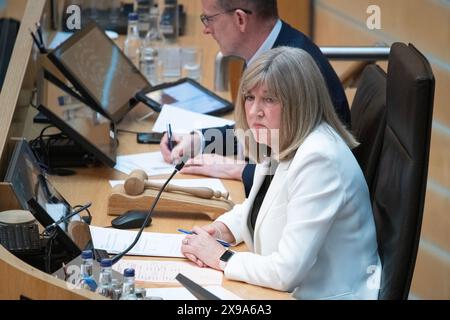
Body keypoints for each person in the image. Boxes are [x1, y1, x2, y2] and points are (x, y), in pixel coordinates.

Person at [180, 47, 381, 300]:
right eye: (249, 97)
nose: (255, 111)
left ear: (299, 103)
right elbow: (263, 204)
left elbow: (287, 271)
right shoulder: (281, 137)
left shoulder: (320, 160)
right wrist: (221, 230)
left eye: (269, 99)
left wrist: (221, 256)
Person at [160, 0, 350, 197]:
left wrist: (237, 169)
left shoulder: (294, 70)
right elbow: (262, 130)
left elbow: (304, 173)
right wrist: (199, 140)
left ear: (240, 19)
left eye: (209, 19)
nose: (206, 30)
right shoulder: (263, 52)